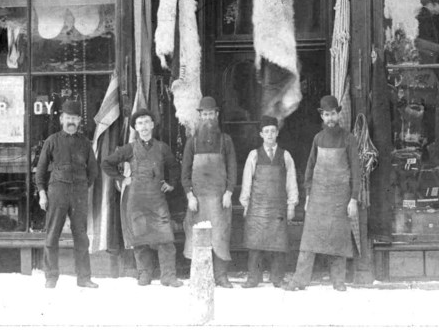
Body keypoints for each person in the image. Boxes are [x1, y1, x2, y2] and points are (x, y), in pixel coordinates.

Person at [284, 95, 361, 292]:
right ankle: (299, 280)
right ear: (322, 116)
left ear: (338, 113)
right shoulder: (317, 139)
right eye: (326, 115)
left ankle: (338, 281)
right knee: (309, 241)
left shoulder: (348, 139)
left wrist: (353, 199)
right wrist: (308, 196)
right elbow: (309, 168)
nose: (330, 119)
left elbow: (356, 171)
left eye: (333, 114)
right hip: (318, 197)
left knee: (339, 239)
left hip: (340, 197)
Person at [102, 109, 184, 287]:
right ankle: (144, 274)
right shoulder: (129, 149)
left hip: (157, 200)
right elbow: (106, 163)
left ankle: (168, 276)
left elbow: (174, 167)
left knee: (166, 239)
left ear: (153, 125)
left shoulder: (162, 148)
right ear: (136, 128)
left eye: (147, 122)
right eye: (140, 123)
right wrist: (122, 179)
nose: (144, 126)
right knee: (140, 239)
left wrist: (171, 183)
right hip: (136, 201)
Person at [35, 99, 99, 289]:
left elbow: (93, 171)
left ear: (79, 120)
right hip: (57, 192)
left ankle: (84, 278)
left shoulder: (85, 144)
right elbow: (40, 170)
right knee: (52, 234)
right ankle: (51, 277)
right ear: (62, 119)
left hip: (78, 193)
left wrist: (82, 186)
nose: (71, 121)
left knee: (81, 236)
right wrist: (42, 193)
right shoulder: (52, 141)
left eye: (75, 118)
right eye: (68, 117)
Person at [182, 96, 237, 288]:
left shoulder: (225, 141)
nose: (208, 118)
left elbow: (232, 169)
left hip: (220, 199)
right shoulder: (192, 142)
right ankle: (199, 276)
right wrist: (189, 196)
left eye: (211, 114)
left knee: (221, 236)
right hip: (197, 199)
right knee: (195, 237)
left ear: (217, 115)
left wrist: (229, 192)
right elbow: (185, 173)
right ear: (200, 116)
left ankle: (221, 276)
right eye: (204, 114)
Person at [239, 116, 299, 288]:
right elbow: (246, 181)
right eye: (266, 131)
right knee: (255, 244)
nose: (270, 134)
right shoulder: (254, 155)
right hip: (257, 207)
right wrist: (245, 203)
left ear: (277, 133)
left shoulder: (285, 155)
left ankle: (277, 278)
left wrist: (291, 204)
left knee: (279, 244)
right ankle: (253, 278)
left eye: (273, 131)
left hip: (278, 207)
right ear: (261, 134)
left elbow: (291, 182)